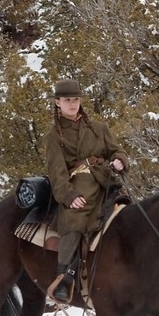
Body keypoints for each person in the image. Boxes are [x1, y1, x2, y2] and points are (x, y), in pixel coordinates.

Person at [44, 78, 128, 303]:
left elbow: (116, 150)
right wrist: (69, 196)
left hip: (105, 180)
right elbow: (57, 173)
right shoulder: (54, 136)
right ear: (58, 103)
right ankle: (64, 277)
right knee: (75, 218)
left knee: (129, 210)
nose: (72, 104)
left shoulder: (99, 128)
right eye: (67, 100)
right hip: (76, 186)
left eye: (76, 99)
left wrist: (120, 160)